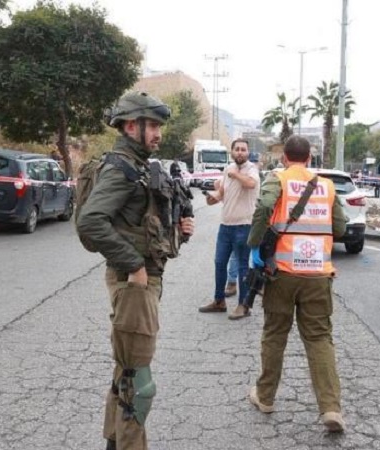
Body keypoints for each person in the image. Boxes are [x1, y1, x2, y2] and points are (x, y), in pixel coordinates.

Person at [77, 91, 195, 450]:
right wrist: (134, 266)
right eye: (153, 126)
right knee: (138, 383)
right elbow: (91, 222)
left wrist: (180, 230)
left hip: (141, 280)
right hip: (134, 283)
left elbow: (142, 225)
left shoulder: (138, 165)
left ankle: (114, 443)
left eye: (159, 126)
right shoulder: (122, 168)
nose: (158, 133)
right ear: (131, 126)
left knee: (125, 371)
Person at [246, 135, 348, 433]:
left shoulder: (277, 179)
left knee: (275, 333)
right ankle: (331, 408)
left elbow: (264, 207)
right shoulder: (327, 185)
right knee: (319, 338)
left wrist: (254, 242)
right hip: (318, 275)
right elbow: (340, 228)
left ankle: (265, 397)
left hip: (283, 272)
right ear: (309, 158)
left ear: (284, 157)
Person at [198, 138, 260, 319]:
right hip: (225, 226)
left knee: (242, 267)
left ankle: (243, 305)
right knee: (219, 263)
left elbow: (251, 184)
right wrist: (212, 198)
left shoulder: (252, 169)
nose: (240, 152)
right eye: (237, 149)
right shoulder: (228, 169)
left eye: (243, 149)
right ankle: (219, 301)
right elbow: (222, 193)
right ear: (232, 152)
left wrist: (235, 175)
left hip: (244, 225)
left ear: (248, 152)